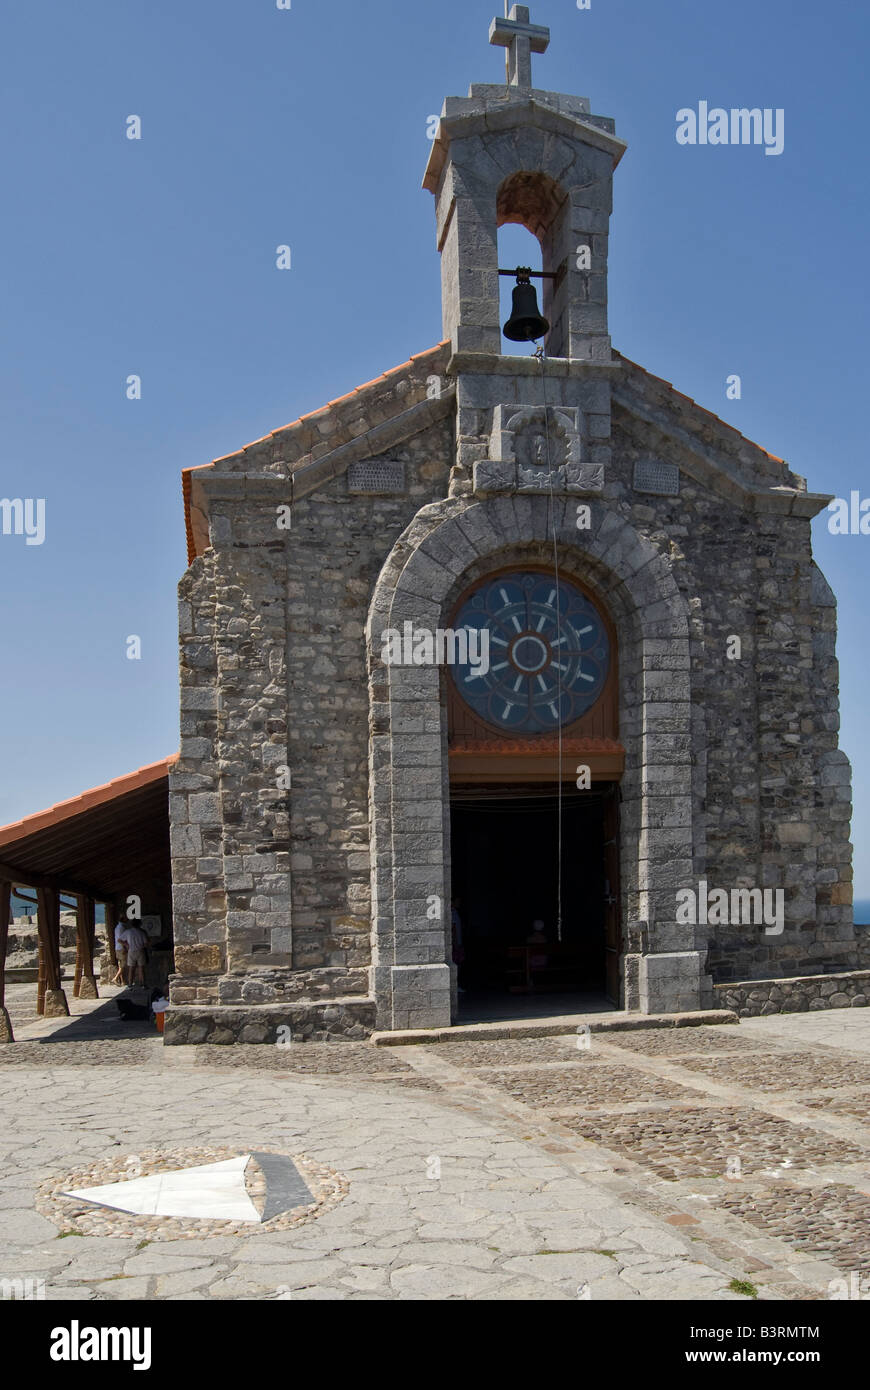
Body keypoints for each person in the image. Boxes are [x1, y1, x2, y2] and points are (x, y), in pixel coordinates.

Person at [115, 922, 148, 987]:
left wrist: (126, 945)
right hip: (140, 950)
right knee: (141, 968)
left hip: (131, 951)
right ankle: (143, 983)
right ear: (139, 924)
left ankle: (130, 984)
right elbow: (146, 943)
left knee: (131, 968)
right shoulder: (141, 932)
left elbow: (119, 940)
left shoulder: (128, 932)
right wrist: (142, 946)